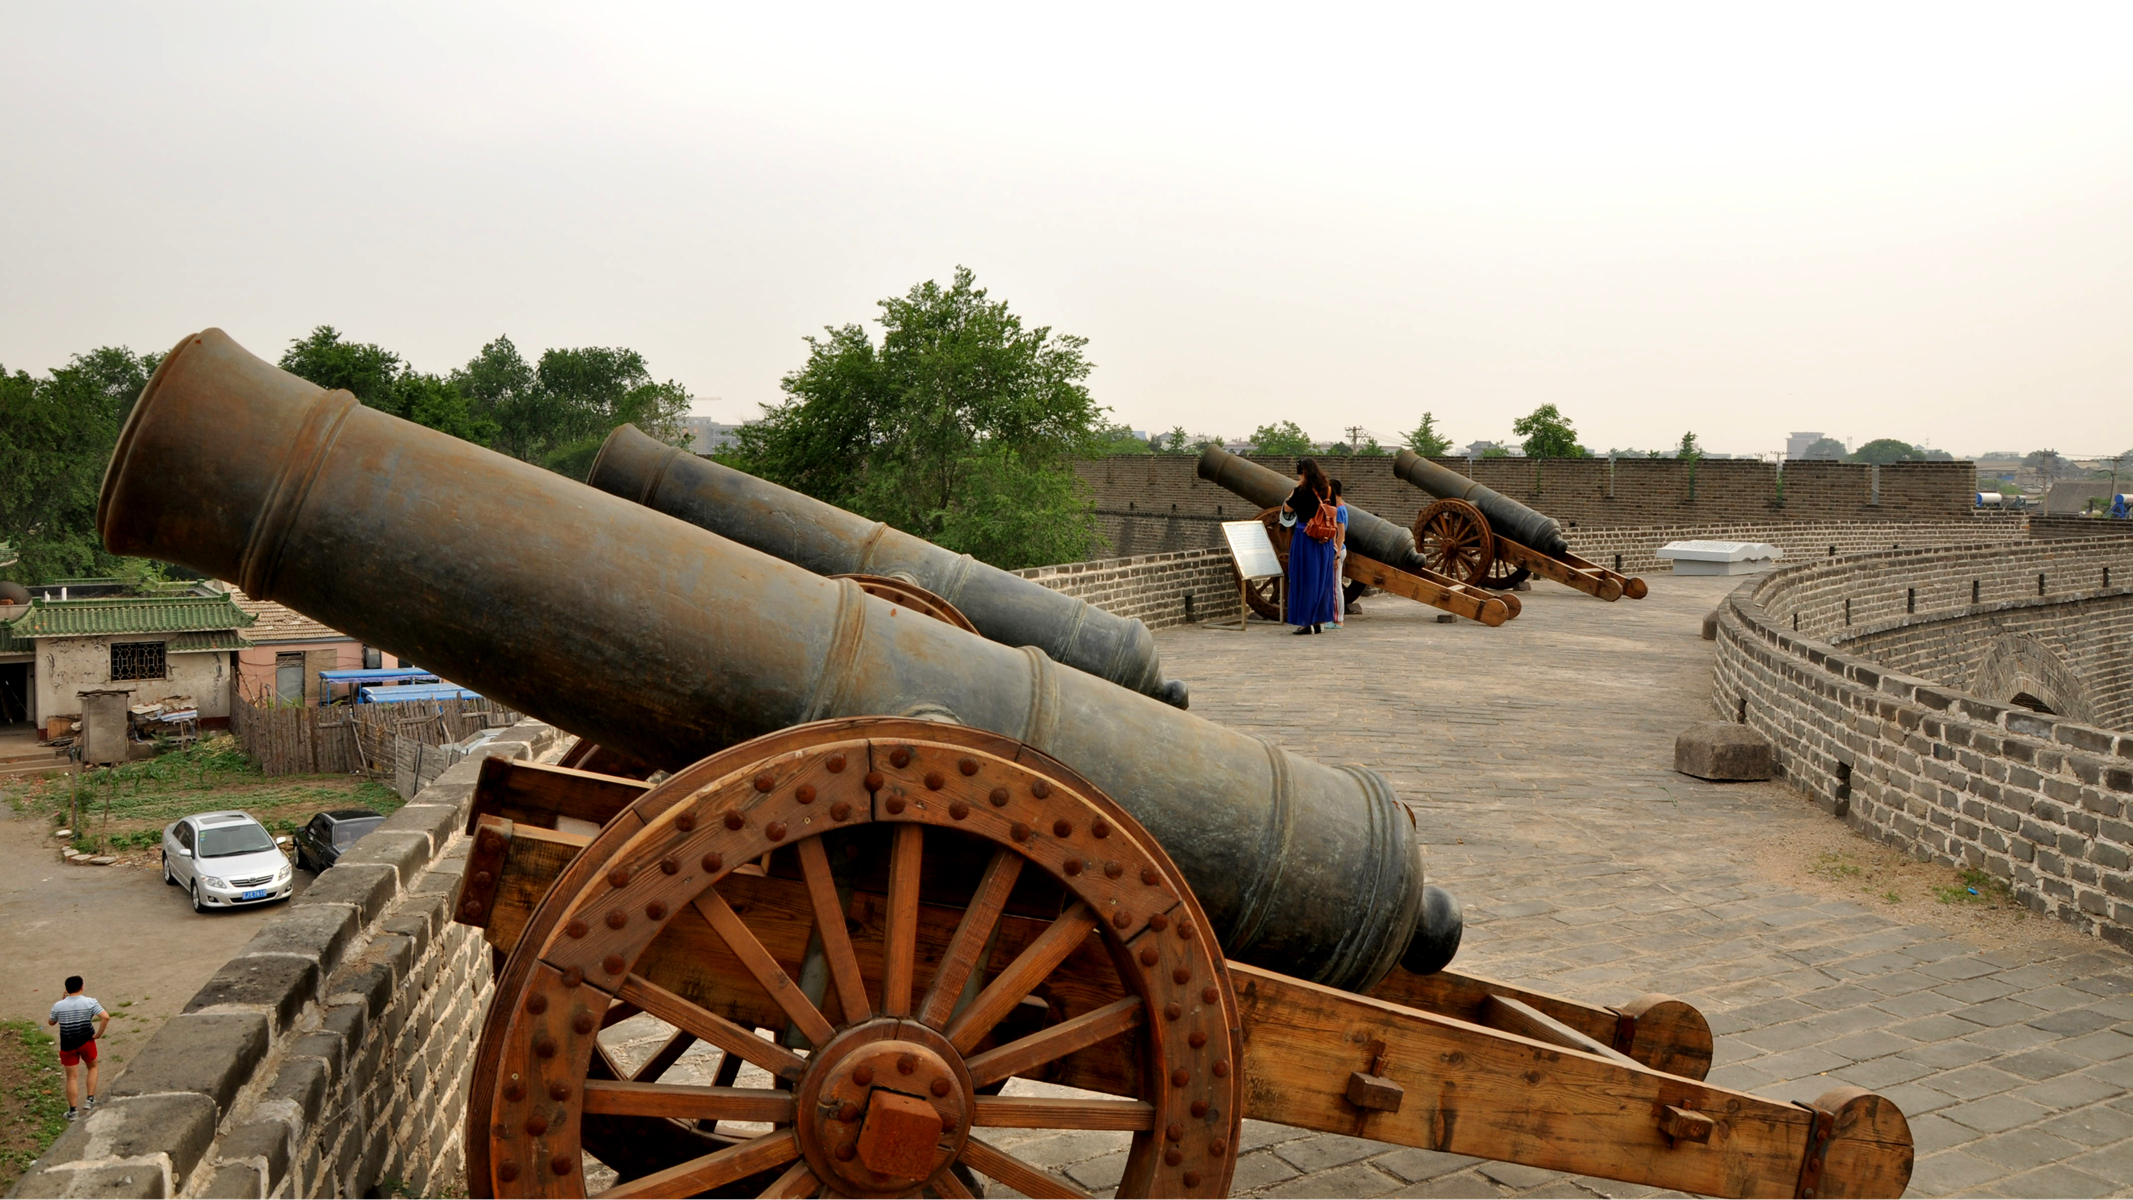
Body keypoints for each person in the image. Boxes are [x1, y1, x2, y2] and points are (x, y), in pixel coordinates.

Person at [1278, 458, 1341, 634]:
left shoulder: (1301, 491)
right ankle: (1318, 621)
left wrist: (1292, 492)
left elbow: (1288, 509)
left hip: (1306, 538)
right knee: (1322, 581)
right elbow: (1333, 515)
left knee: (1305, 580)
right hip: (1325, 541)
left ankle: (1306, 622)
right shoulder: (1329, 490)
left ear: (1303, 473)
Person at [49, 976, 108, 1121]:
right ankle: (90, 1100)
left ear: (66, 989)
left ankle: (73, 1111)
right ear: (82, 987)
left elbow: (51, 1022)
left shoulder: (58, 1005)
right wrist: (98, 1034)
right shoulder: (90, 1002)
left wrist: (62, 1001)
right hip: (86, 1041)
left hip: (68, 1044)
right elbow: (105, 1017)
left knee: (71, 1077)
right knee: (93, 1067)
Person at [1329, 480, 1351, 628]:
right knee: (1333, 586)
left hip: (1338, 550)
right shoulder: (1339, 508)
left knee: (1336, 587)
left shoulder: (1340, 510)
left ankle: (1339, 619)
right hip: (1338, 549)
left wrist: (1336, 555)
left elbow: (1341, 534)